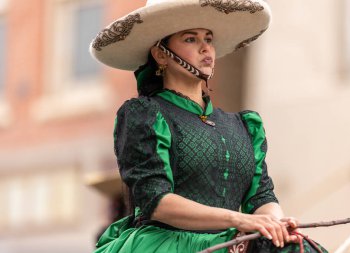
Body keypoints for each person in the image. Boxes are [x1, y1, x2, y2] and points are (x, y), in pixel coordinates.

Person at [90, 0, 328, 252]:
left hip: (230, 239)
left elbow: (261, 196)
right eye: (191, 39)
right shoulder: (144, 114)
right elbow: (155, 200)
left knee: (296, 247)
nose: (206, 48)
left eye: (209, 39)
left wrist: (277, 224)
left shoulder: (244, 125)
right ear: (161, 54)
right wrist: (239, 219)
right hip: (168, 244)